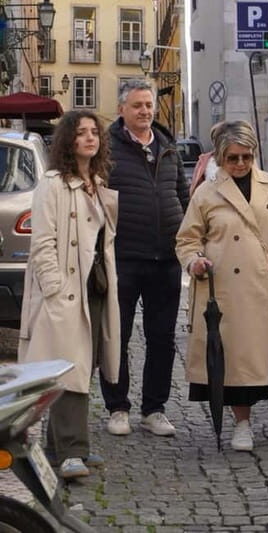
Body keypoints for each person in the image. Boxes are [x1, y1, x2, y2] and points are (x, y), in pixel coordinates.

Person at [175, 120, 268, 452]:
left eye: (246, 156)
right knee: (237, 365)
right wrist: (195, 262)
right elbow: (187, 240)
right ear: (221, 157)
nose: (241, 164)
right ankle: (242, 425)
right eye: (233, 158)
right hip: (231, 292)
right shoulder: (206, 192)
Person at [18, 110, 121, 478]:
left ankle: (58, 447)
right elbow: (42, 242)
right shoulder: (53, 183)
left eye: (95, 133)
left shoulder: (96, 180)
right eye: (82, 133)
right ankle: (72, 451)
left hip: (93, 286)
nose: (90, 138)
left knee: (84, 364)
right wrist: (55, 289)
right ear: (68, 140)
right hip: (66, 290)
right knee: (68, 367)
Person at [100, 79, 189, 437]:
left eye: (149, 105)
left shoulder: (168, 146)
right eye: (137, 105)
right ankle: (117, 407)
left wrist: (186, 240)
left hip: (166, 259)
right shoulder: (107, 149)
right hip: (123, 257)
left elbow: (182, 196)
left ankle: (154, 408)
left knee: (162, 337)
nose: (145, 111)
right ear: (122, 109)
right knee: (116, 336)